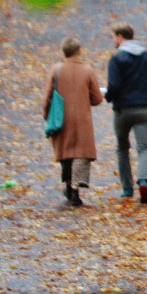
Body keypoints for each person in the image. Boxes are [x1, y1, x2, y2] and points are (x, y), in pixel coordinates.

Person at [105, 21, 147, 204]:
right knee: (144, 148)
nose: (113, 41)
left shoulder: (116, 59)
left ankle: (126, 189)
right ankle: (143, 181)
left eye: (114, 37)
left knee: (123, 148)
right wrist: (145, 91)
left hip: (123, 110)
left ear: (121, 37)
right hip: (145, 109)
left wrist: (108, 97)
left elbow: (113, 86)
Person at [44, 36, 103, 207]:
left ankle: (68, 185)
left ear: (64, 52)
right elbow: (97, 99)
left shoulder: (56, 70)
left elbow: (47, 95)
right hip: (82, 118)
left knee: (66, 152)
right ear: (79, 50)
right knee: (80, 153)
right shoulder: (88, 70)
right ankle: (76, 188)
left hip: (61, 117)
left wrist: (46, 115)